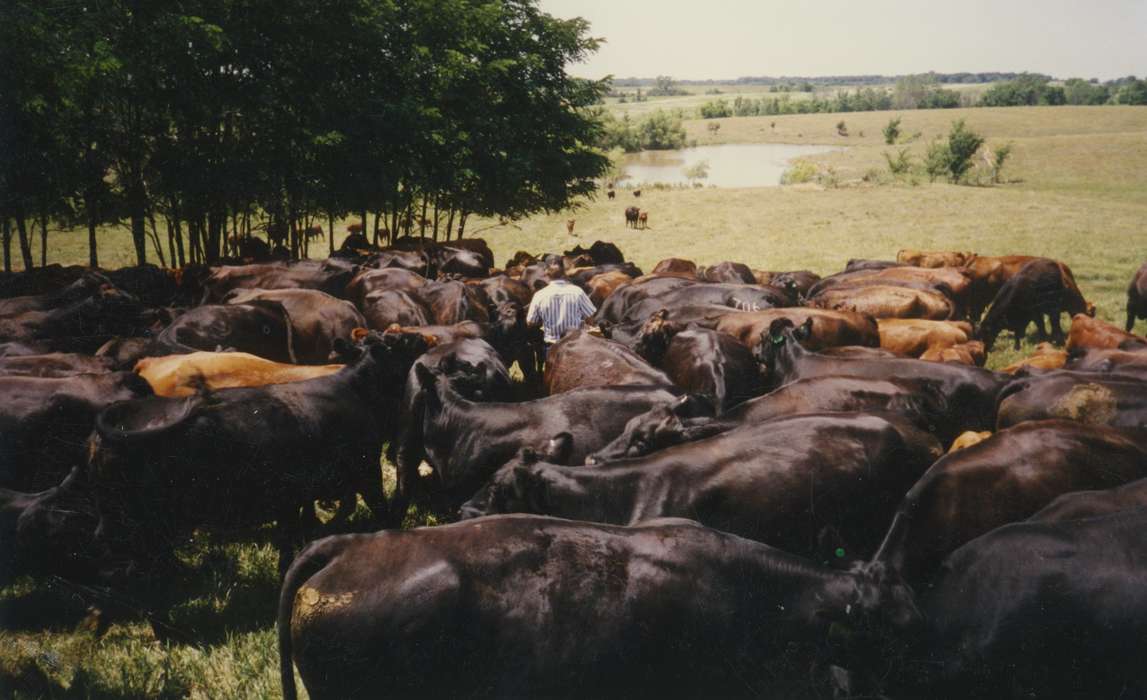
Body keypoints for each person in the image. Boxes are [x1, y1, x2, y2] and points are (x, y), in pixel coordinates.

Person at [526, 263, 596, 356]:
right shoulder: (577, 291)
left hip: (552, 347)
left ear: (547, 275)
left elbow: (530, 322)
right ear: (564, 274)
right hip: (576, 345)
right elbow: (590, 317)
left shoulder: (540, 295)